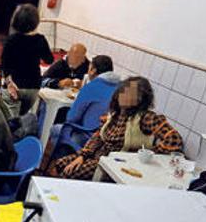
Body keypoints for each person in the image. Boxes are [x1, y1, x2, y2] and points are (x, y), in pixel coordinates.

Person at [48, 76, 184, 180]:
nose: (124, 96)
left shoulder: (146, 118)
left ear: (141, 99)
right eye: (123, 92)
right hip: (97, 157)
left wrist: (146, 155)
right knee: (60, 164)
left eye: (131, 94)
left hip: (115, 164)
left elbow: (174, 140)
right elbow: (97, 137)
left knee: (70, 172)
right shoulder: (115, 114)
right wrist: (82, 156)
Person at [48, 55, 120, 146]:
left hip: (88, 135)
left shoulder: (91, 87)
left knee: (55, 129)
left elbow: (72, 118)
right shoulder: (121, 87)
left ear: (93, 70)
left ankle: (62, 158)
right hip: (110, 138)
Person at [0, 4, 55, 117]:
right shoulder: (40, 39)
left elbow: (5, 64)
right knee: (23, 120)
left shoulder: (11, 40)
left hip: (14, 85)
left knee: (10, 120)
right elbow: (49, 59)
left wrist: (9, 82)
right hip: (33, 86)